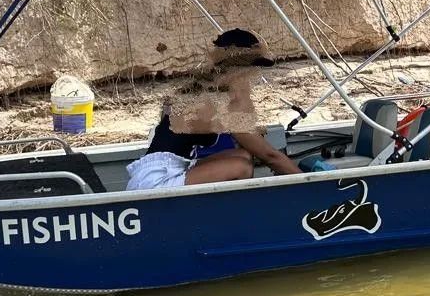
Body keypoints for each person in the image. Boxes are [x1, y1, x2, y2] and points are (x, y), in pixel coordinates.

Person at [126, 28, 303, 191]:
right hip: (156, 182)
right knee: (241, 168)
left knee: (242, 156)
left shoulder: (203, 88)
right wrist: (310, 185)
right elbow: (270, 156)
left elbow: (248, 148)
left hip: (166, 168)